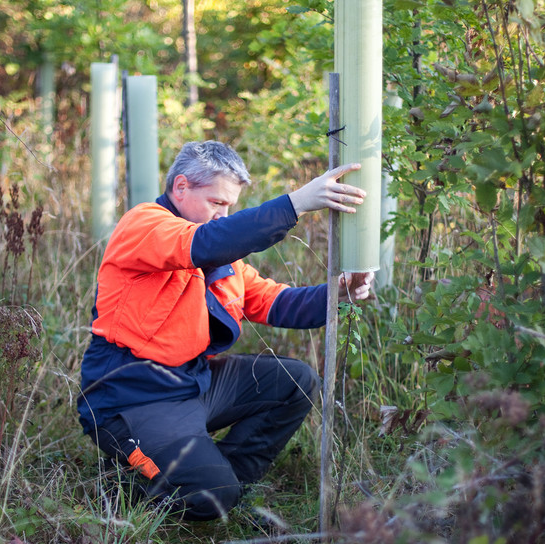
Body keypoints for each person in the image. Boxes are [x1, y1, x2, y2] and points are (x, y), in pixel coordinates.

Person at [77, 140, 374, 521]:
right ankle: (146, 486)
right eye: (216, 203)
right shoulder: (145, 224)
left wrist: (338, 293)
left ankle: (220, 480)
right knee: (210, 497)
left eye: (229, 206)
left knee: (295, 380)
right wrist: (296, 202)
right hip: (133, 397)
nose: (222, 215)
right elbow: (204, 245)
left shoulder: (221, 259)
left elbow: (276, 302)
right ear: (180, 187)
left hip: (193, 384)